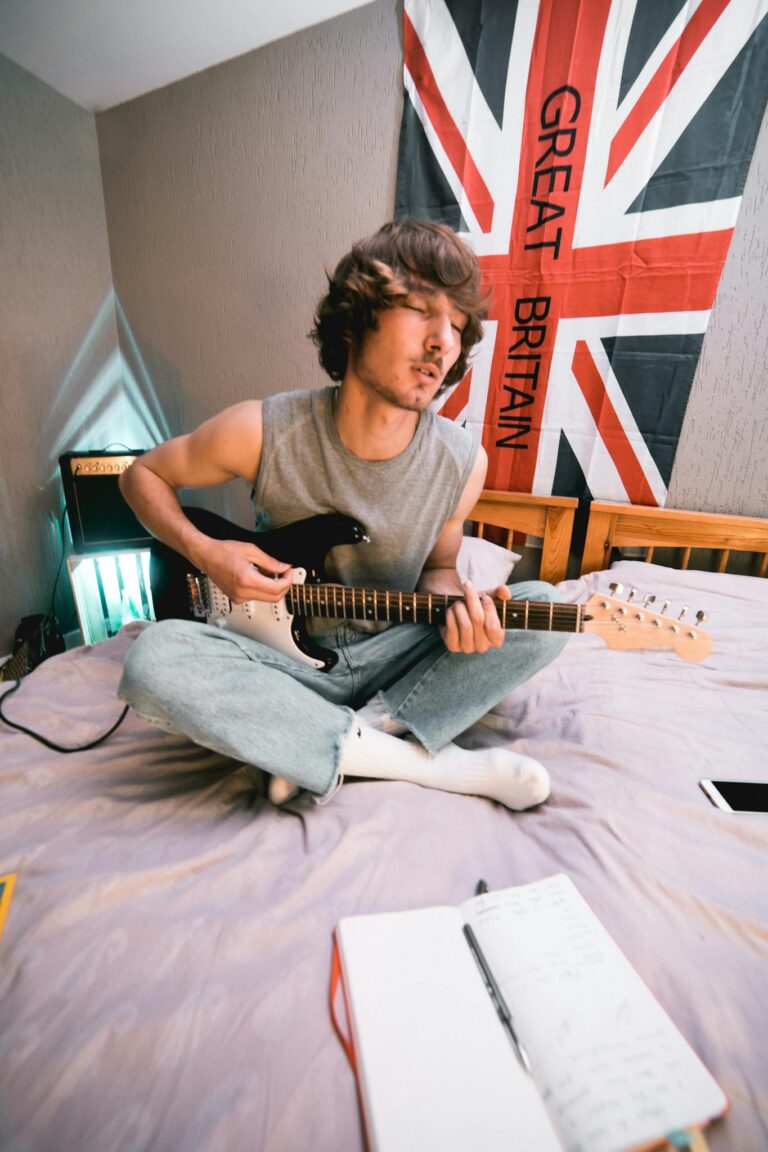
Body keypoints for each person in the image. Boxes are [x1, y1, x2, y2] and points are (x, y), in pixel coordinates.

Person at [118, 220, 568, 809]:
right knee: (153, 658)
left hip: (391, 659)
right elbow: (138, 476)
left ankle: (322, 740)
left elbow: (436, 573)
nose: (443, 341)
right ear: (358, 316)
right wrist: (206, 552)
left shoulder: (463, 463)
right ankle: (418, 763)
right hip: (280, 663)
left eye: (457, 326)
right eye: (419, 309)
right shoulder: (263, 430)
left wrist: (460, 616)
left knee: (539, 611)